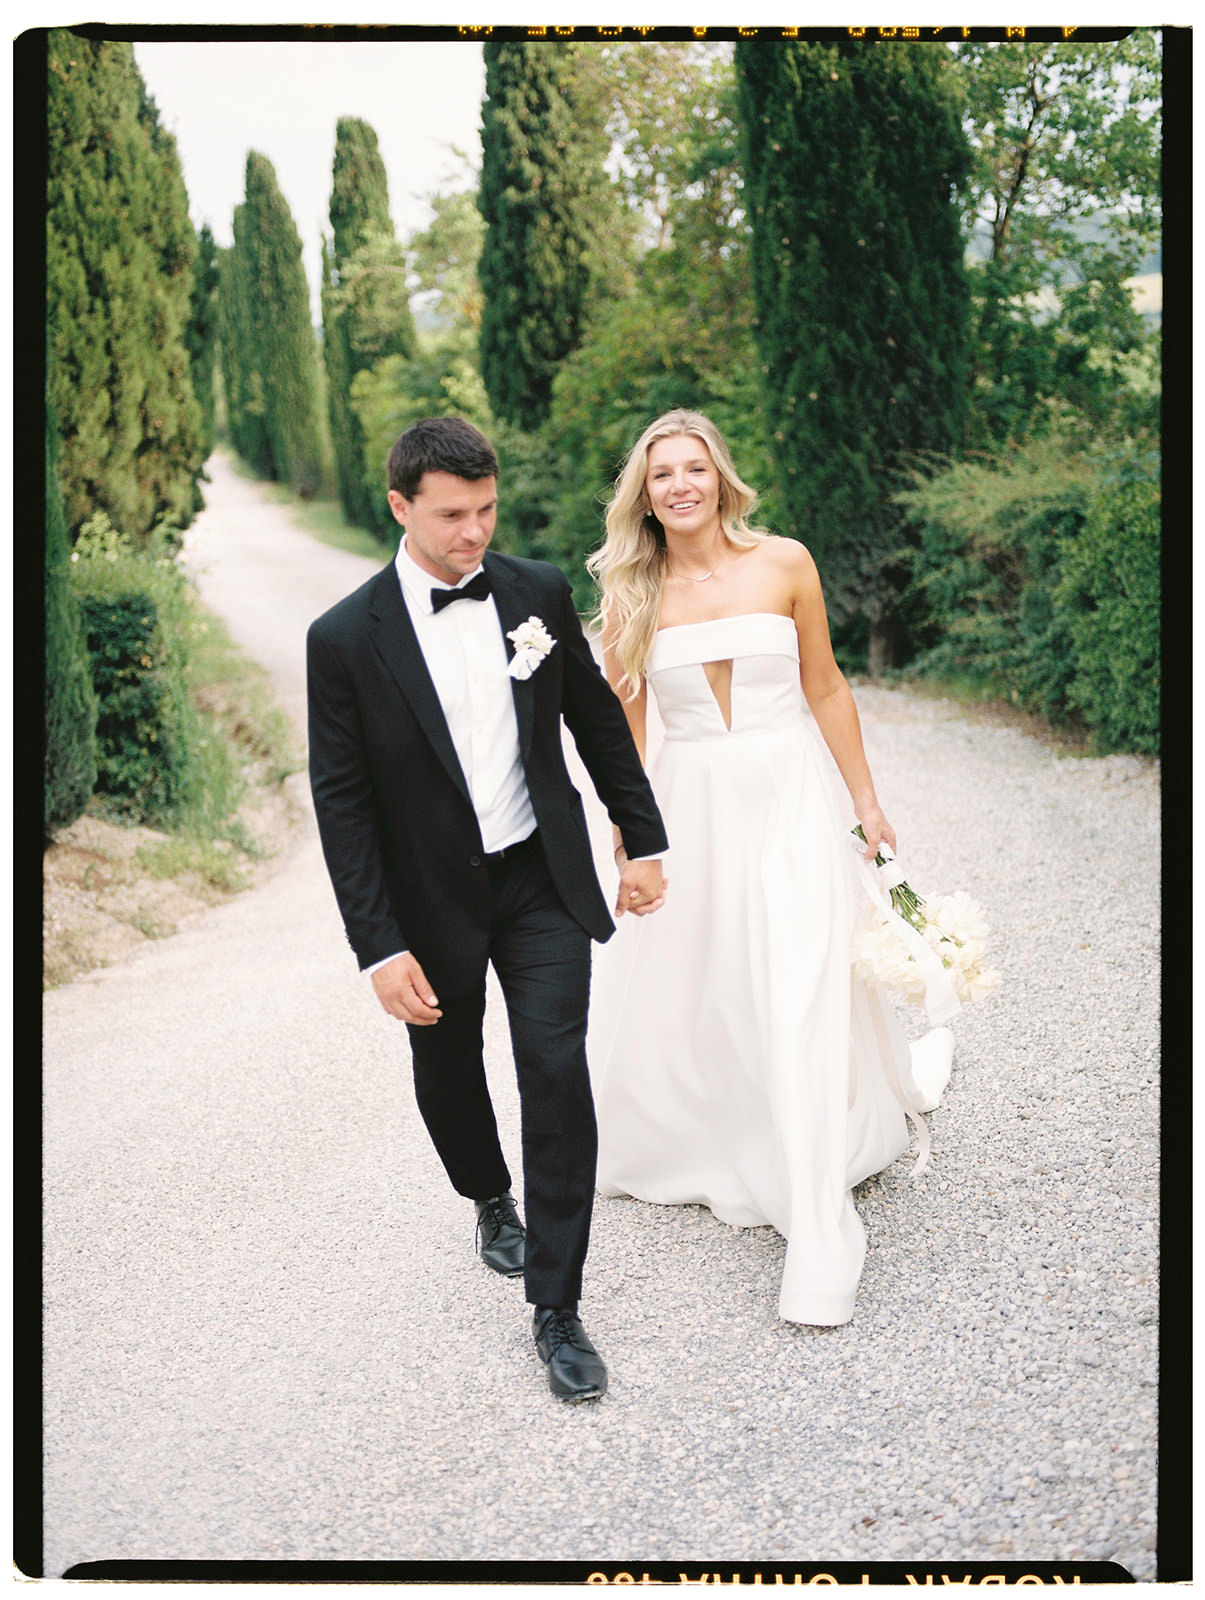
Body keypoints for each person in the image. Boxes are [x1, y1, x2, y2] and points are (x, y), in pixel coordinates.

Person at [306, 416, 669, 1402]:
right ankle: (486, 1195)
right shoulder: (342, 639)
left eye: (486, 510)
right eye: (451, 516)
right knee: (447, 1065)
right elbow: (341, 804)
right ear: (400, 507)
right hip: (427, 899)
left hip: (539, 878)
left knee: (554, 1071)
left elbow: (595, 722)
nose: (473, 532)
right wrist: (377, 946)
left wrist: (642, 837)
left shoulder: (534, 591)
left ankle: (557, 1306)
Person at [585, 409, 955, 1328]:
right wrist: (631, 838)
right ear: (644, 495)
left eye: (693, 468)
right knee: (721, 981)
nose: (679, 485)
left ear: (720, 478)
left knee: (795, 974)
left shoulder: (784, 563)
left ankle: (812, 1197)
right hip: (691, 808)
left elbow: (824, 685)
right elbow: (626, 732)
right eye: (661, 473)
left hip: (789, 797)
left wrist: (866, 801)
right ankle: (729, 1126)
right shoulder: (632, 592)